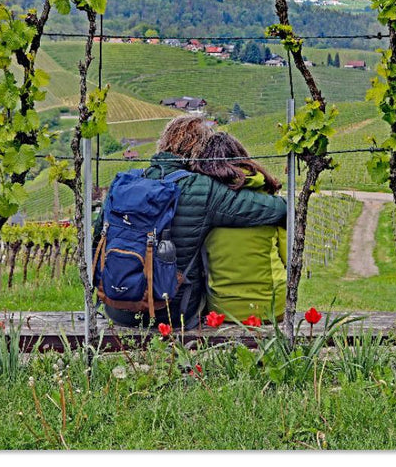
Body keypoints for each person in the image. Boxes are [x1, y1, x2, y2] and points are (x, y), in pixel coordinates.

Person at [97, 116, 287, 329]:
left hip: (116, 308)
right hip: (172, 313)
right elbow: (275, 209)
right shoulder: (201, 187)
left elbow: (97, 242)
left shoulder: (123, 183)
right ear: (199, 151)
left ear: (163, 143)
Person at [192, 132, 287, 323]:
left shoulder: (202, 202)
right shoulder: (269, 200)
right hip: (272, 304)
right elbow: (288, 256)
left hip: (221, 308)